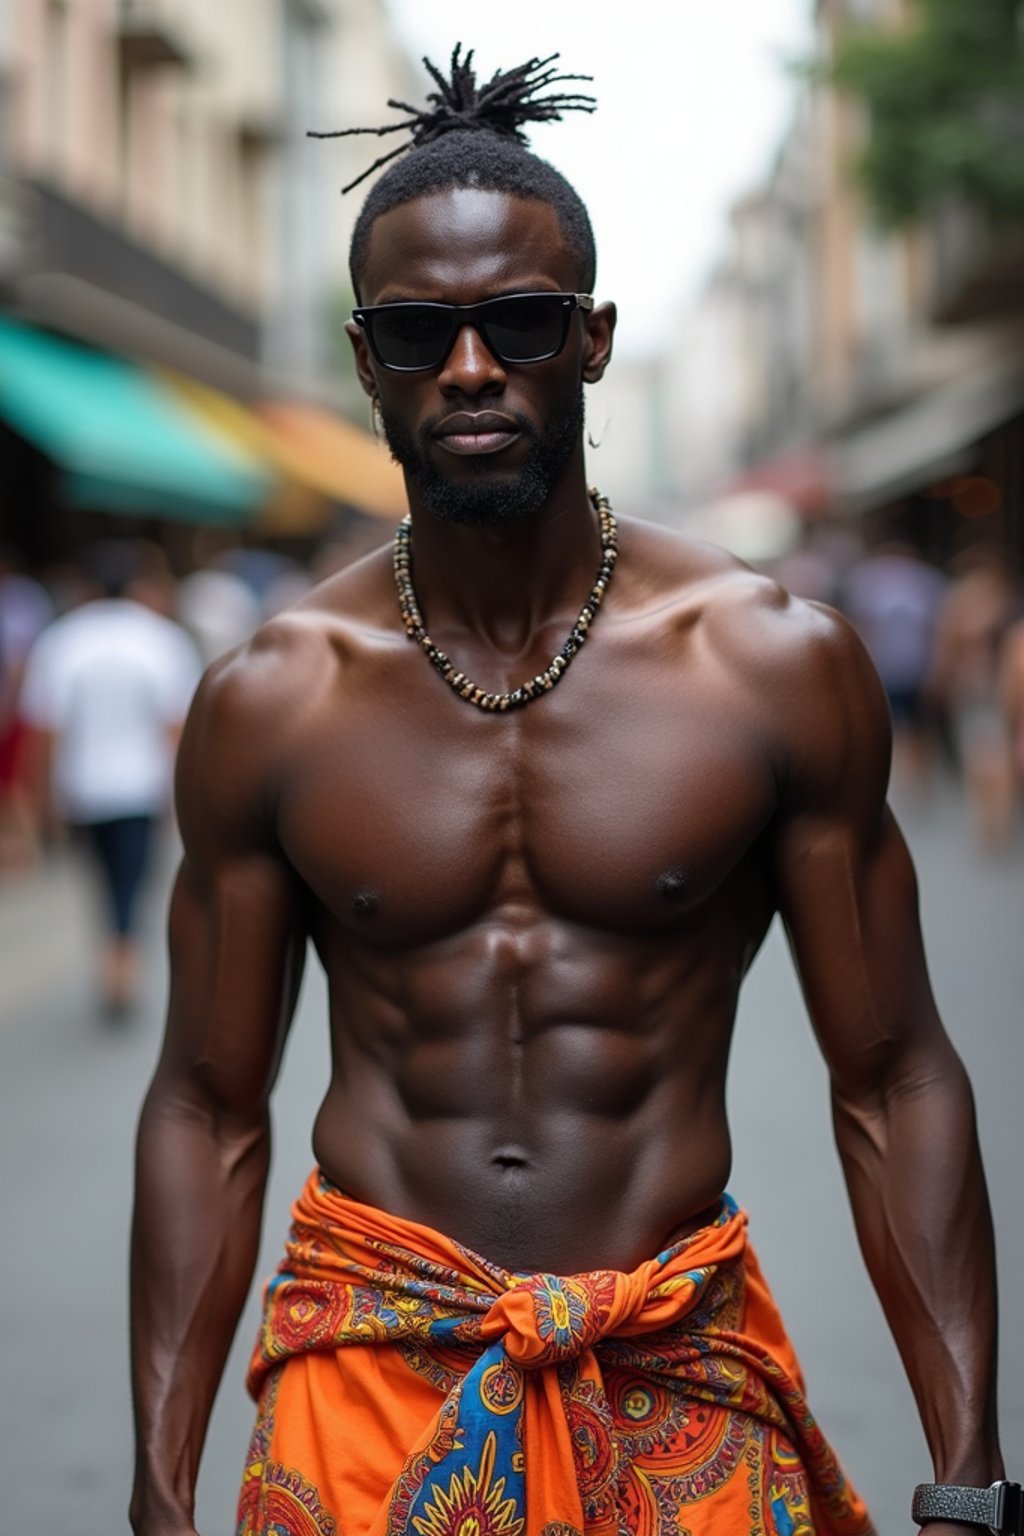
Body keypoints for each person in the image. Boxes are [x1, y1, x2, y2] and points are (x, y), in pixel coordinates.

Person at [130, 48, 1012, 1536]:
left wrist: (970, 1469)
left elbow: (895, 1073)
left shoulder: (771, 664)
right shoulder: (271, 696)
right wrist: (158, 1494)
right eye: (418, 333)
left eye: (518, 322)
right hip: (368, 1365)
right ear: (366, 361)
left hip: (673, 1360)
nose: (469, 368)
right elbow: (209, 1105)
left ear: (591, 341)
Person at [21, 541, 200, 1014]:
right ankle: (123, 962)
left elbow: (45, 729)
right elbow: (174, 728)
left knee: (102, 877)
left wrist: (43, 794)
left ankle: (114, 960)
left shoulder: (63, 640)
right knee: (131, 878)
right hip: (140, 787)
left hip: (83, 787)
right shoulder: (160, 639)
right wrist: (180, 793)